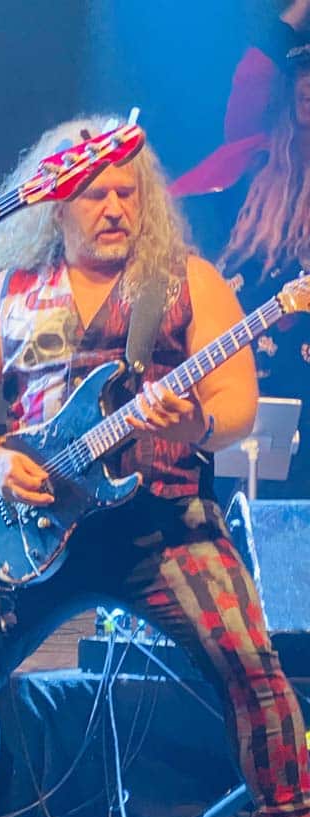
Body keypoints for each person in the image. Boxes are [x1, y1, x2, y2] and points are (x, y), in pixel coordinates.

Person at [0, 116, 310, 817]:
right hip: (37, 523)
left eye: (128, 193)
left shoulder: (188, 282)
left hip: (163, 524)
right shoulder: (11, 292)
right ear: (53, 204)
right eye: (95, 193)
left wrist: (194, 425)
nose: (115, 207)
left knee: (253, 667)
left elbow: (238, 405)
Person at [172, 1, 310, 498]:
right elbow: (253, 76)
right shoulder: (255, 154)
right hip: (236, 370)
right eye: (302, 74)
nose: (308, 85)